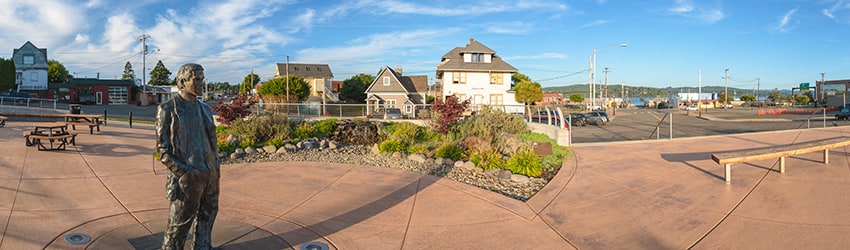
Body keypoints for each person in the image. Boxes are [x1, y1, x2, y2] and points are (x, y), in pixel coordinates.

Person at [156, 63, 220, 250]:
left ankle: (202, 246)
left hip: (210, 172)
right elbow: (162, 150)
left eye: (202, 79)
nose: (201, 83)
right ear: (183, 82)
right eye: (197, 79)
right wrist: (185, 172)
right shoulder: (168, 108)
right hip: (188, 176)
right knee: (178, 225)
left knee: (208, 215)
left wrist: (215, 166)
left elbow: (211, 140)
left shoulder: (205, 108)